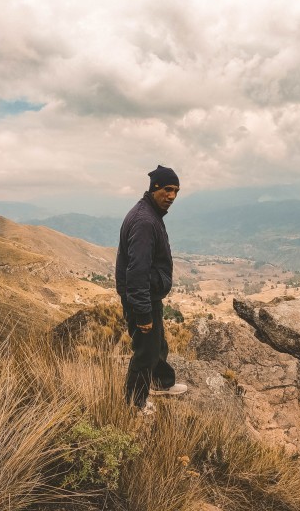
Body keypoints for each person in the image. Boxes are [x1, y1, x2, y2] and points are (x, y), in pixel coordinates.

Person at [115, 164, 188, 414]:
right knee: (145, 352)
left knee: (157, 343)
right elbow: (136, 272)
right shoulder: (146, 221)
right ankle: (135, 404)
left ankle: (160, 381)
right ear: (155, 188)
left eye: (176, 191)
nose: (172, 196)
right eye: (168, 189)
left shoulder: (150, 214)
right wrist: (143, 313)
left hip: (148, 294)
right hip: (141, 296)